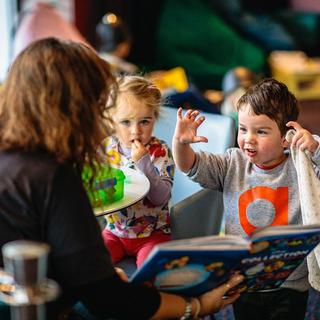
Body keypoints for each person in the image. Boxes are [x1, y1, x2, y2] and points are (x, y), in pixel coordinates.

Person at [0, 37, 243, 319]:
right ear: (74, 110)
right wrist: (197, 307)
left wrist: (93, 271)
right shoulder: (54, 177)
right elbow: (109, 299)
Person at [172, 78, 320, 320]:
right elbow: (190, 165)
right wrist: (180, 144)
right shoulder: (233, 162)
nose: (248, 138)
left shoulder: (300, 164)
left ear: (286, 137)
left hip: (291, 281)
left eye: (260, 131)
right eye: (243, 129)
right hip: (243, 278)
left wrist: (315, 150)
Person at [100, 75, 174, 268]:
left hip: (153, 234)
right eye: (126, 122)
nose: (136, 131)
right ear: (111, 121)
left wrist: (143, 162)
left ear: (155, 118)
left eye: (144, 121)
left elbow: (161, 198)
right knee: (93, 264)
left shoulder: (160, 151)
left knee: (150, 273)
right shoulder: (107, 149)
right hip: (114, 233)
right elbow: (98, 188)